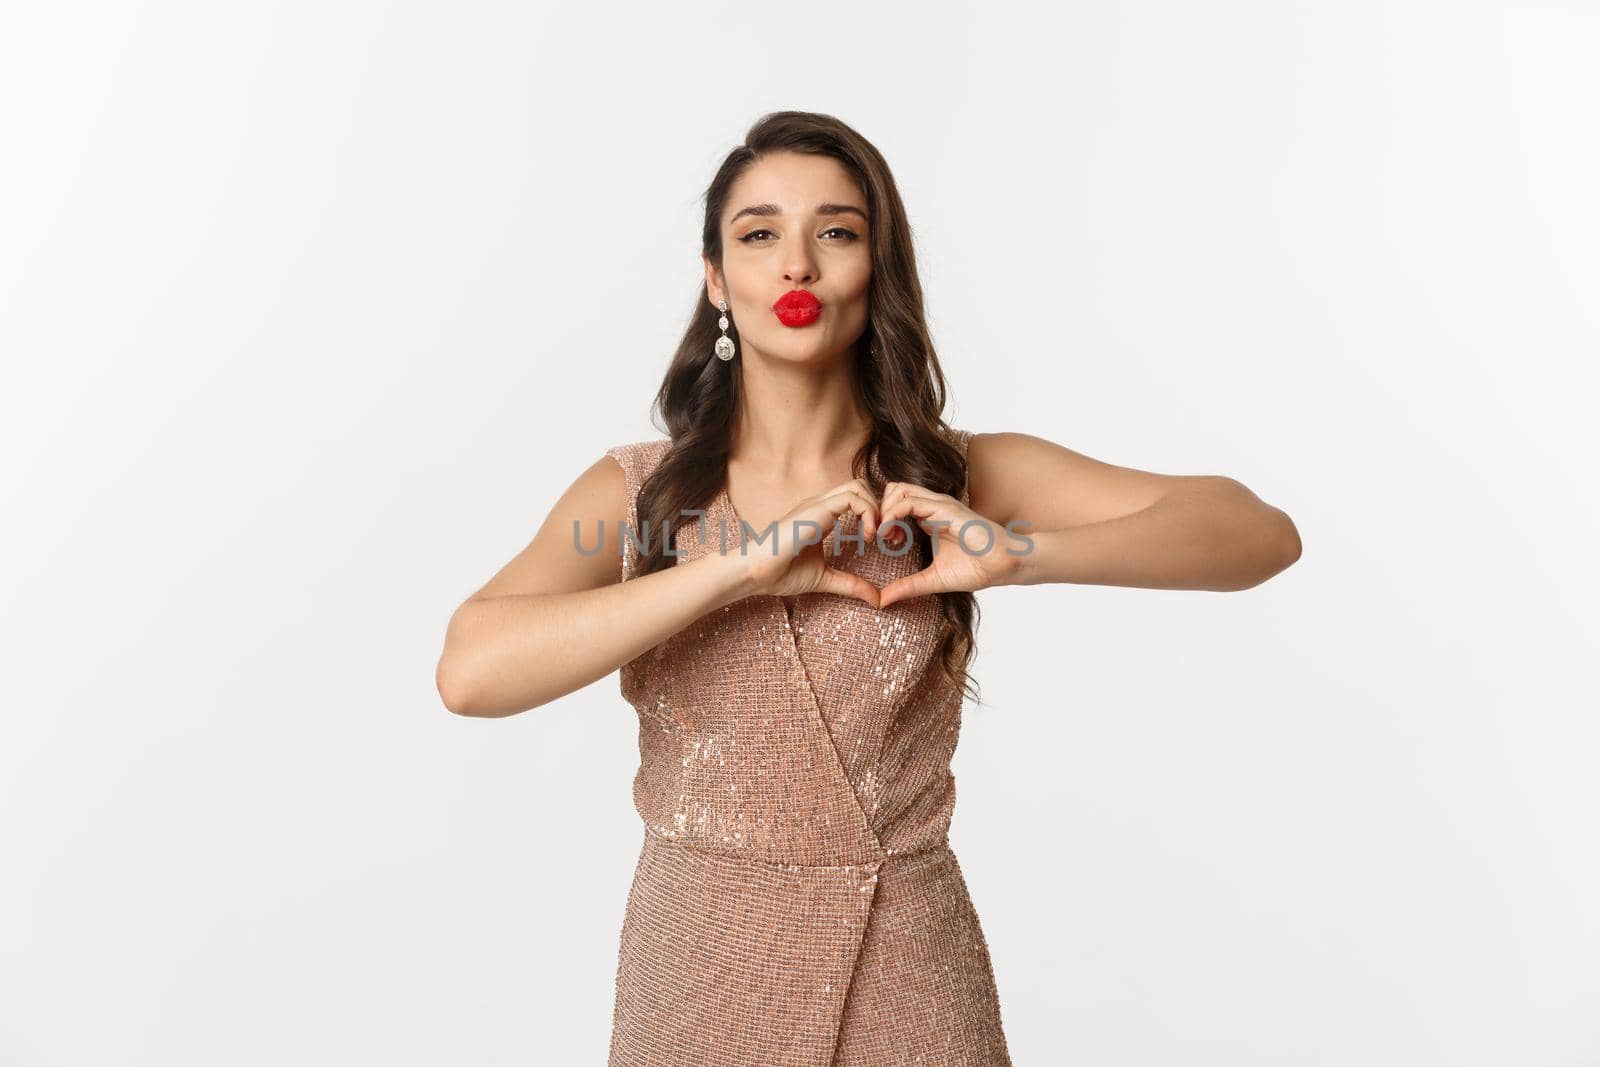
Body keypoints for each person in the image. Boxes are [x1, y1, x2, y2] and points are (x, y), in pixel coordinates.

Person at [434, 110, 1302, 1066]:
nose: (796, 263)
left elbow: (1257, 532)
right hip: (695, 972)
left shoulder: (955, 476)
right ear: (717, 278)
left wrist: (1022, 550)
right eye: (759, 234)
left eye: (836, 232)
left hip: (908, 968)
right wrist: (737, 570)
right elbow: (471, 671)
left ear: (875, 267)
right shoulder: (640, 492)